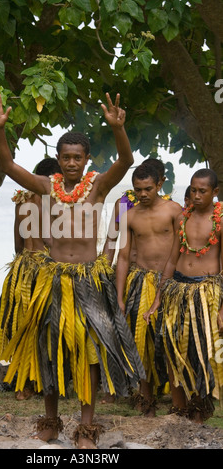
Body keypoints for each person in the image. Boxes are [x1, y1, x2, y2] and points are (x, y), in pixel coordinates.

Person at [0, 91, 145, 449]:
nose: (72, 163)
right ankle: (51, 423)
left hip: (88, 280)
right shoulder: (45, 187)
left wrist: (118, 128)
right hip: (54, 280)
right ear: (58, 159)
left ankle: (86, 430)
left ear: (87, 160)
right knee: (50, 350)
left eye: (78, 157)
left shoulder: (98, 186)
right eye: (66, 157)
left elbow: (127, 159)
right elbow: (9, 166)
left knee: (88, 352)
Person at [144, 168, 223, 422]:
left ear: (215, 192)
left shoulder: (220, 220)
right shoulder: (182, 218)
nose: (197, 195)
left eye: (203, 191)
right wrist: (159, 297)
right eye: (193, 190)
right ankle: (178, 410)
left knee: (201, 354)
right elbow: (172, 258)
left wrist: (222, 308)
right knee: (170, 346)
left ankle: (199, 410)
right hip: (177, 289)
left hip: (205, 292)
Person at [115, 164, 182, 416]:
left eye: (148, 189)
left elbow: (181, 250)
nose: (143, 194)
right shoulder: (130, 216)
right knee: (142, 344)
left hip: (172, 283)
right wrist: (120, 297)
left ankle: (179, 406)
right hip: (141, 282)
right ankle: (147, 403)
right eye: (137, 189)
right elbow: (123, 257)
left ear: (160, 184)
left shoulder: (174, 211)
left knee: (172, 342)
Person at [0, 157, 61, 400]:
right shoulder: (55, 201)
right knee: (45, 327)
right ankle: (41, 382)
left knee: (22, 325)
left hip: (22, 268)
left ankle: (24, 384)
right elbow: (54, 242)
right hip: (46, 269)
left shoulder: (21, 201)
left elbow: (18, 243)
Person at [103, 157, 171, 267]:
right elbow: (111, 240)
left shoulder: (170, 209)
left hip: (160, 272)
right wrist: (103, 271)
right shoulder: (124, 203)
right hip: (130, 269)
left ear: (160, 182)